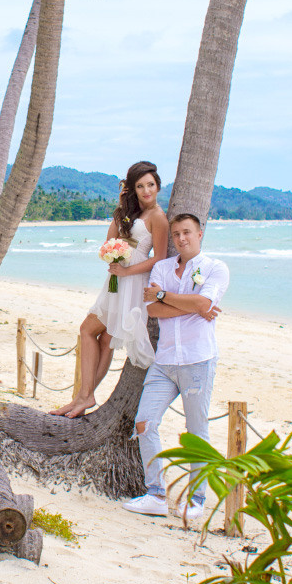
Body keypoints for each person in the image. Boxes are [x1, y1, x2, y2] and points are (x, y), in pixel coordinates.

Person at [122, 213, 228, 521]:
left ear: (199, 234)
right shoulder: (162, 267)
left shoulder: (215, 268)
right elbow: (153, 309)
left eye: (187, 233)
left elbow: (203, 304)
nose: (182, 238)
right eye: (177, 234)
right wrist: (190, 304)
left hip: (198, 360)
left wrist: (168, 297)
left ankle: (196, 500)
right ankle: (155, 493)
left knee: (196, 431)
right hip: (165, 361)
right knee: (144, 422)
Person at [51, 161, 168, 418]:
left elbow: (159, 257)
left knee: (89, 330)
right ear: (133, 189)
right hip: (117, 279)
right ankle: (83, 397)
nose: (146, 191)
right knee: (103, 337)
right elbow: (110, 241)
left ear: (158, 186)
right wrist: (121, 206)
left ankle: (85, 396)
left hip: (132, 280)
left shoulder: (158, 216)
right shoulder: (131, 214)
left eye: (150, 185)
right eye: (140, 186)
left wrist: (126, 271)